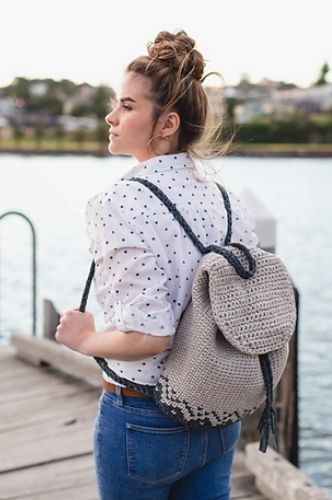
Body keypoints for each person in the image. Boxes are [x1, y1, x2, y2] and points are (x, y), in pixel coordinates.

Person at [54, 30, 257, 499]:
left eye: (126, 105)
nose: (111, 116)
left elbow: (150, 336)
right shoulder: (226, 201)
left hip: (144, 418)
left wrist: (85, 339)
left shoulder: (119, 202)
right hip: (219, 412)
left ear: (166, 124)